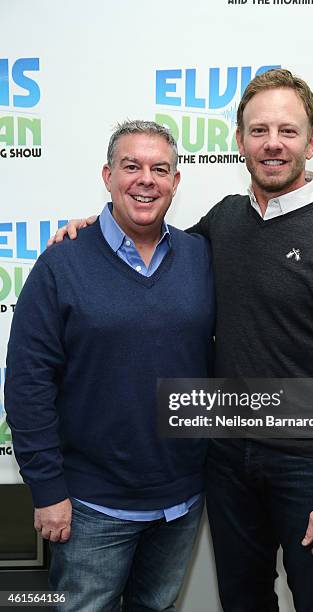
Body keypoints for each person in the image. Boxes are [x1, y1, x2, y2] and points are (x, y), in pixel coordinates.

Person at [49, 70, 313, 611]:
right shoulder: (227, 220)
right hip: (227, 456)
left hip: (311, 467)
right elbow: (156, 245)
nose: (273, 143)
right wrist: (103, 227)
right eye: (259, 130)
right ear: (239, 142)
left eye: (288, 130)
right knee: (241, 599)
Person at [5, 120, 215, 612]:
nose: (146, 179)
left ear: (176, 182)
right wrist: (47, 490)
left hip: (181, 502)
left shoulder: (202, 256)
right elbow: (27, 384)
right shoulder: (62, 264)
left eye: (160, 168)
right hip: (89, 507)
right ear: (108, 175)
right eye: (131, 166)